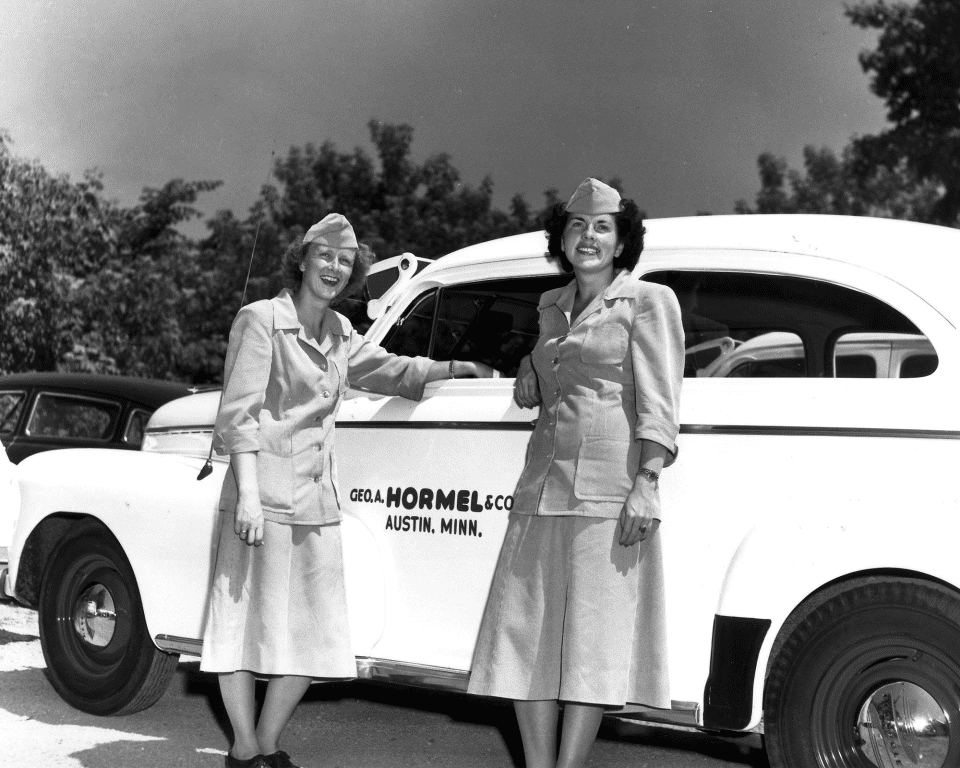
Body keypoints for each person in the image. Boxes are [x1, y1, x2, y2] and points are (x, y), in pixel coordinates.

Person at [200, 214, 495, 768]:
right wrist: (248, 497)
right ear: (302, 259)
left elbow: (391, 370)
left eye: (344, 261)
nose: (334, 268)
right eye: (325, 256)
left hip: (316, 502)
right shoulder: (261, 320)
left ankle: (267, 741)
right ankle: (245, 749)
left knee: (317, 633)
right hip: (260, 497)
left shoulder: (339, 331)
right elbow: (238, 416)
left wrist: (459, 367)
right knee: (240, 627)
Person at [468, 179, 684, 768]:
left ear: (621, 242)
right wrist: (530, 363)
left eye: (602, 228)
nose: (588, 237)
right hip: (539, 488)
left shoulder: (649, 301)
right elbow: (564, 361)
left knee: (591, 647)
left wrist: (647, 484)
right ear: (561, 239)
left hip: (605, 495)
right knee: (523, 639)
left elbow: (661, 402)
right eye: (577, 226)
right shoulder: (550, 306)